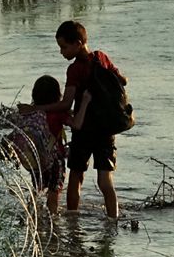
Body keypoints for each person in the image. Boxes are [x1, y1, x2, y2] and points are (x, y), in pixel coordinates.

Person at [21, 21, 127, 218]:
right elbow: (123, 80)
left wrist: (35, 108)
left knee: (76, 177)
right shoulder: (102, 57)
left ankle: (72, 221)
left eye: (64, 47)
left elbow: (65, 104)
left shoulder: (75, 70)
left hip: (84, 129)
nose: (62, 52)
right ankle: (113, 221)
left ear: (78, 43)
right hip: (106, 129)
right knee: (106, 180)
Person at [28, 74, 89, 216]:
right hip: (55, 160)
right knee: (53, 192)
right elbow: (77, 124)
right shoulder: (58, 114)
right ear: (57, 95)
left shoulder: (33, 112)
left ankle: (32, 216)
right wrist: (85, 102)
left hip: (37, 159)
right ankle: (52, 221)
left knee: (37, 189)